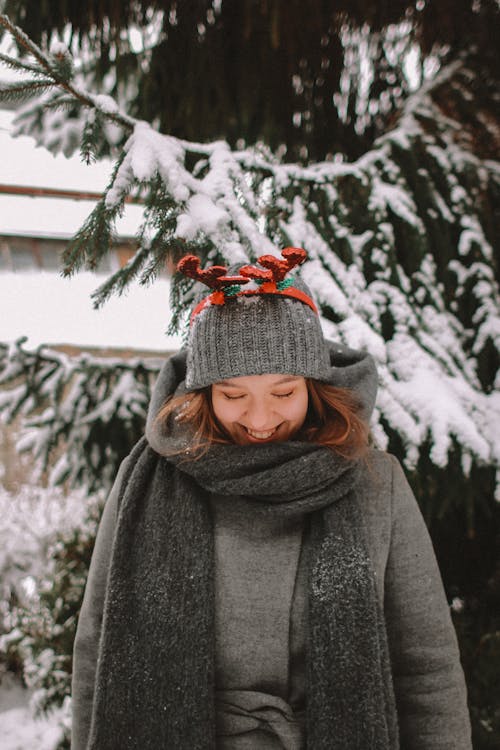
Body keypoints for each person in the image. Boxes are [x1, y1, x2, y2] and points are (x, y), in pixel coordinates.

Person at [71, 248, 472, 750]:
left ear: (315, 387)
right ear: (203, 394)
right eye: (233, 396)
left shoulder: (374, 482)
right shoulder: (147, 483)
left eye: (284, 393)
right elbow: (97, 651)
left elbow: (425, 667)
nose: (260, 421)